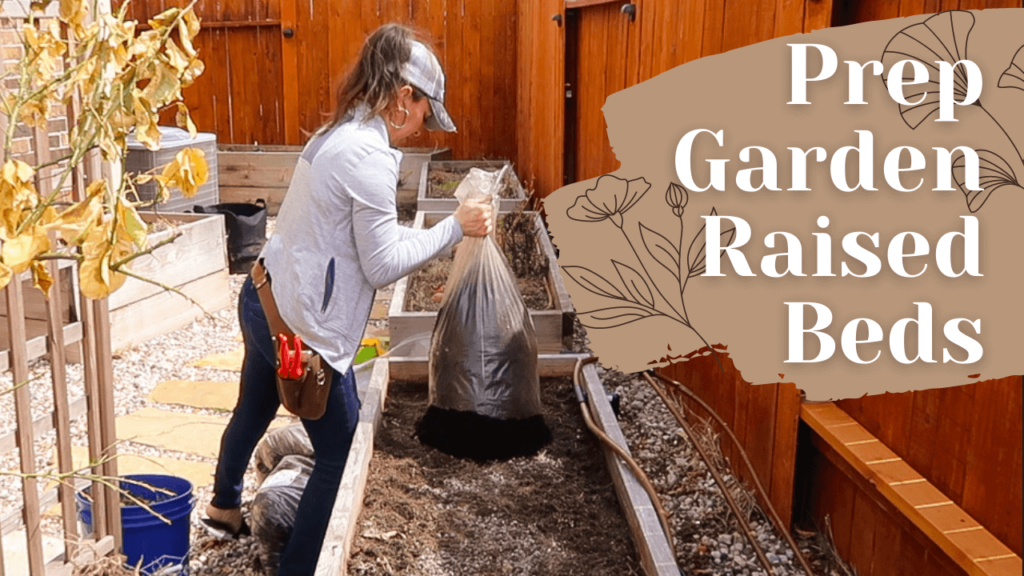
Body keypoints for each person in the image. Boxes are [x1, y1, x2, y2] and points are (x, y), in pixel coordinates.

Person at [202, 24, 493, 576]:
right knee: (339, 453)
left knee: (255, 406)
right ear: (404, 96)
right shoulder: (371, 157)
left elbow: (366, 248)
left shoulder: (337, 132)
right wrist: (455, 228)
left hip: (263, 296)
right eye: (427, 111)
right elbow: (383, 264)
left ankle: (222, 506)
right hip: (299, 336)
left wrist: (441, 229)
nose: (423, 126)